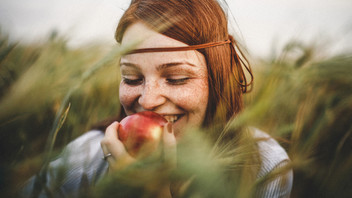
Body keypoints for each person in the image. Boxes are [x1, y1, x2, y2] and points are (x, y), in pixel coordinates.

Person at [21, 0, 293, 197]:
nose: (148, 100)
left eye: (176, 78)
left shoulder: (263, 166)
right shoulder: (83, 161)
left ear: (218, 79)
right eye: (131, 78)